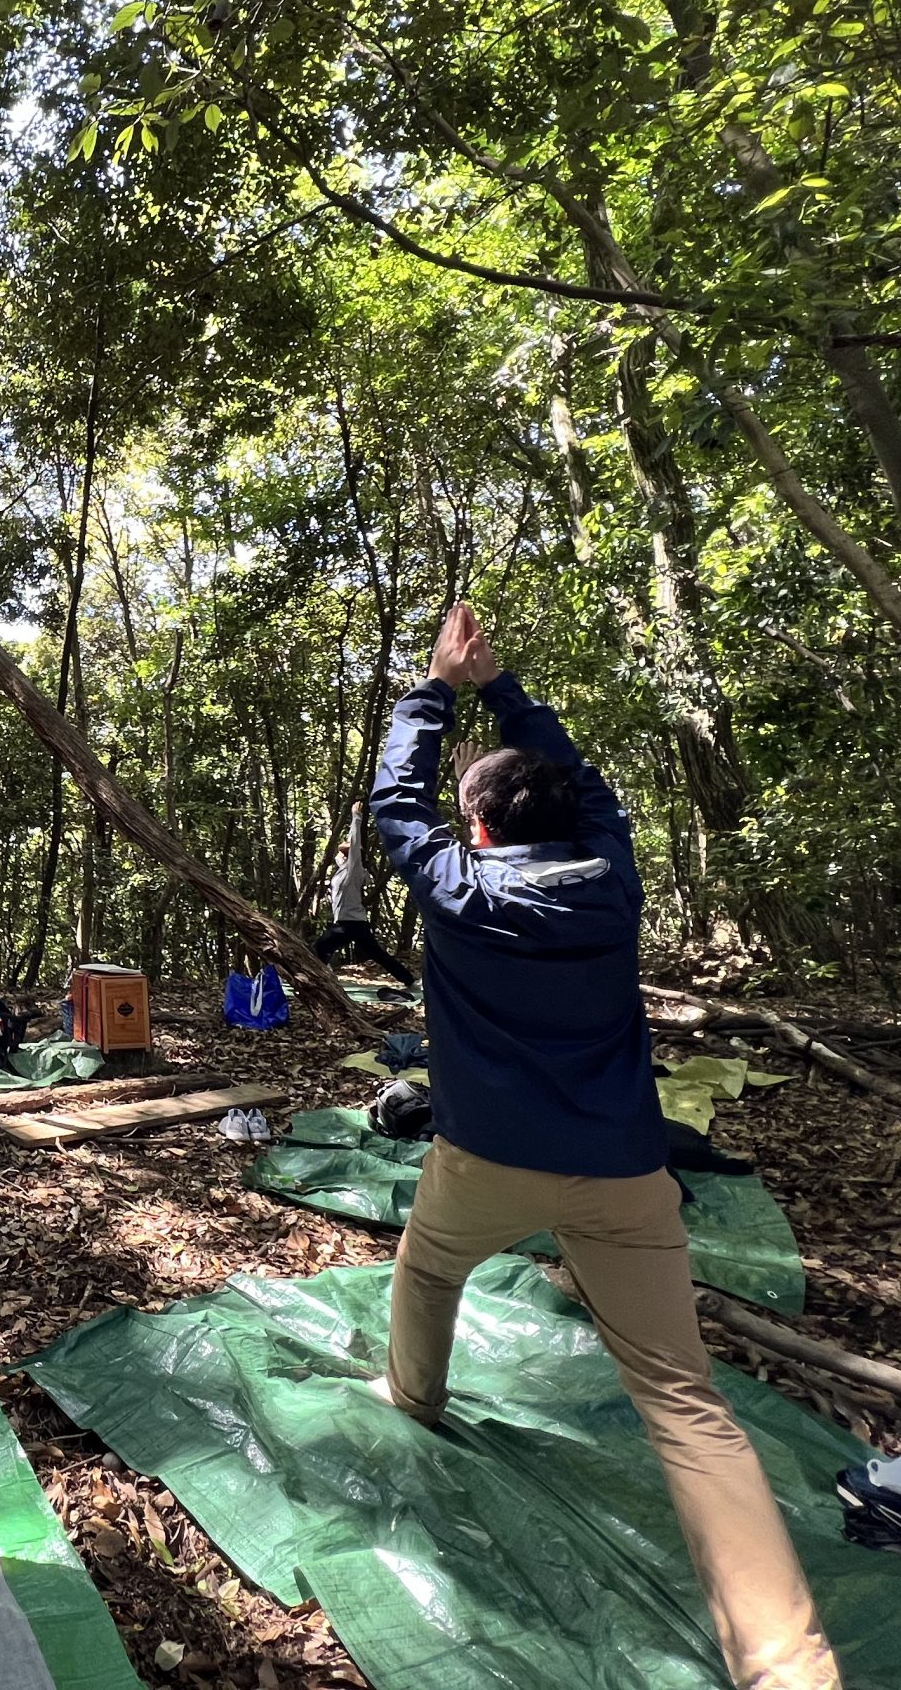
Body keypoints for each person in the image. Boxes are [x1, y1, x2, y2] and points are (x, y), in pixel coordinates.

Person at [368, 603, 838, 1690]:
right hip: (625, 1172)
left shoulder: (457, 888)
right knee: (683, 1402)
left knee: (429, 1266)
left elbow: (396, 800)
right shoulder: (611, 878)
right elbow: (587, 787)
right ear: (573, 821)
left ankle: (417, 1400)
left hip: (484, 1162)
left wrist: (437, 686)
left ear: (475, 830)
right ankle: (788, 1665)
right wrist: (505, 693)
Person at [311, 813, 415, 987]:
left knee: (322, 946)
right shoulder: (342, 871)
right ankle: (408, 979)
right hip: (346, 923)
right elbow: (339, 862)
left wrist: (356, 818)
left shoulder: (353, 869)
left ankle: (409, 980)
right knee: (323, 947)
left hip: (352, 924)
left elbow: (355, 843)